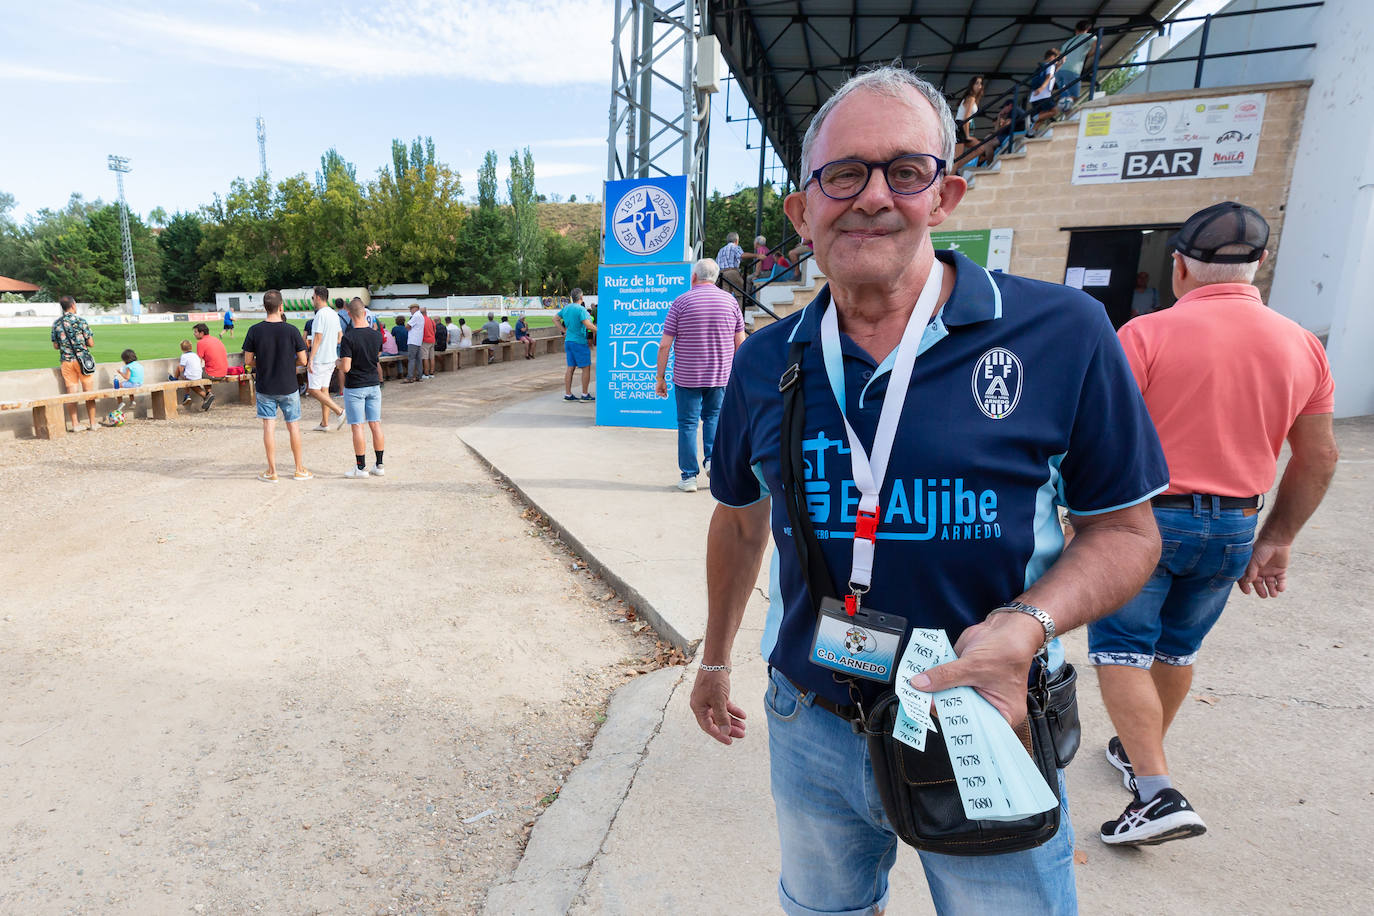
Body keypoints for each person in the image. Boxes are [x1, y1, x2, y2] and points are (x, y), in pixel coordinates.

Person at [696, 66, 1168, 915]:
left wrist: (1027, 626)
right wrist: (715, 655)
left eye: (904, 172)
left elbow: (1128, 533)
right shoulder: (766, 362)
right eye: (843, 174)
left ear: (943, 195)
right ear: (803, 211)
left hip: (988, 721)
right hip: (813, 716)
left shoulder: (1059, 332)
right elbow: (739, 521)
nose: (872, 197)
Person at [1088, 202, 1338, 847]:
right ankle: (1139, 754)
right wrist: (1277, 539)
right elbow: (1319, 457)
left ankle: (1156, 791)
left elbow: (1101, 440)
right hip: (1233, 527)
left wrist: (1080, 520)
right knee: (1175, 650)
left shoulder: (1144, 335)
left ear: (1179, 267)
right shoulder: (1302, 344)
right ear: (1259, 267)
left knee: (1120, 650)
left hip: (1147, 520)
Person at [653, 258, 745, 492]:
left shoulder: (681, 302)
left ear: (694, 277)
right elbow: (741, 342)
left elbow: (664, 345)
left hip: (687, 377)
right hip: (720, 376)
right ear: (715, 278)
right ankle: (712, 460)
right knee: (714, 418)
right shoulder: (731, 302)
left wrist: (660, 377)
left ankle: (688, 477)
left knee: (687, 424)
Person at [242, 290, 311, 482]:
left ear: (265, 307)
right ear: (282, 307)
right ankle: (299, 469)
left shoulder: (254, 330)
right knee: (294, 426)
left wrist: (263, 362)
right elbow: (303, 360)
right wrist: (288, 363)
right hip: (288, 385)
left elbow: (248, 360)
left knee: (268, 428)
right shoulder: (291, 330)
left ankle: (272, 471)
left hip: (266, 385)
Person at [339, 298, 387, 479]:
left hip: (356, 386)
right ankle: (379, 464)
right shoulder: (375, 335)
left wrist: (338, 362)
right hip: (373, 384)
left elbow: (346, 367)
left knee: (357, 426)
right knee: (375, 424)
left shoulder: (348, 337)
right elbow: (377, 354)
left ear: (349, 315)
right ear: (365, 314)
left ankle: (361, 467)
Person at [50, 296, 97, 432]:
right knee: (89, 393)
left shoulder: (56, 324)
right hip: (83, 361)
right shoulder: (81, 321)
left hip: (66, 361)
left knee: (71, 394)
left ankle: (75, 424)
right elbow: (91, 343)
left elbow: (55, 346)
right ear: (73, 305)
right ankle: (93, 423)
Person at [307, 285, 345, 428]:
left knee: (313, 390)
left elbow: (317, 338)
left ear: (317, 296)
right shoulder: (333, 314)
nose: (313, 300)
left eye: (312, 297)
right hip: (331, 357)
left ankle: (339, 411)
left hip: (320, 358)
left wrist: (311, 358)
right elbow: (340, 337)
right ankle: (325, 423)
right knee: (324, 390)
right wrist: (329, 343)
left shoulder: (320, 314)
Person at [556, 289, 596, 401]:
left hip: (568, 341)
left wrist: (564, 331)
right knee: (586, 367)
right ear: (581, 297)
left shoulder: (566, 308)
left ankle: (568, 394)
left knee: (570, 368)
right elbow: (588, 325)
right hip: (579, 341)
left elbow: (555, 319)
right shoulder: (581, 309)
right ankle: (584, 394)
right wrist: (599, 331)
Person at [1056, 20, 1097, 110]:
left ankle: (1062, 113)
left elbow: (1059, 58)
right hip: (1072, 70)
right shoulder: (1089, 36)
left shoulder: (1067, 43)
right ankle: (1056, 110)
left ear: (1076, 29)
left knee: (1065, 97)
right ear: (1088, 29)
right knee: (1074, 96)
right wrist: (1088, 54)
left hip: (1059, 72)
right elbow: (1097, 46)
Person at [1026, 48, 1061, 137]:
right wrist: (1042, 88)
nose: (1057, 62)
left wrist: (1061, 63)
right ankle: (1034, 118)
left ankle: (1031, 133)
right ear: (1053, 57)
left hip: (1034, 96)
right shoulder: (1051, 65)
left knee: (1044, 115)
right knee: (1055, 111)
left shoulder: (1042, 66)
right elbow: (1049, 76)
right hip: (1044, 94)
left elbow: (1053, 73)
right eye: (1057, 59)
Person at [169, 339, 212, 408]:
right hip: (199, 375)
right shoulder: (195, 355)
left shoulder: (184, 356)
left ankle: (184, 392)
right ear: (191, 347)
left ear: (181, 348)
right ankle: (205, 397)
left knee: (180, 370)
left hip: (190, 377)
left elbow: (181, 369)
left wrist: (180, 372)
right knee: (192, 383)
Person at [104, 348, 143, 424]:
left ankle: (120, 402)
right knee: (128, 386)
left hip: (133, 384)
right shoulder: (138, 364)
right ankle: (132, 401)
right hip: (139, 383)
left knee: (118, 386)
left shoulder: (129, 366)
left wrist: (120, 373)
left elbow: (127, 377)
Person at [955, 74, 985, 161]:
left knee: (981, 148)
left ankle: (957, 167)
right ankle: (955, 167)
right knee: (957, 158)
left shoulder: (973, 99)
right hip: (961, 127)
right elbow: (966, 117)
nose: (979, 86)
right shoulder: (971, 98)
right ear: (972, 85)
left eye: (981, 83)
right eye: (977, 83)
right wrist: (967, 135)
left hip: (961, 127)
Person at [716, 231, 747, 307]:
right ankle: (739, 313)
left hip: (721, 275)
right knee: (740, 294)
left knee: (725, 296)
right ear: (736, 240)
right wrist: (757, 256)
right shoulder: (735, 247)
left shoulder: (721, 250)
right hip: (732, 272)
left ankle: (725, 312)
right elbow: (742, 256)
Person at [404, 304, 426, 383]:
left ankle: (410, 377)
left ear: (415, 308)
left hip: (413, 340)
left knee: (411, 359)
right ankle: (419, 376)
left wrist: (408, 328)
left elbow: (407, 326)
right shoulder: (421, 316)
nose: (410, 310)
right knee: (418, 359)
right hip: (418, 340)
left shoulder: (416, 316)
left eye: (411, 309)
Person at [420, 306, 436, 379]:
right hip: (432, 340)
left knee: (425, 358)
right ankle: (432, 373)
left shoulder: (421, 320)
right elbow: (434, 330)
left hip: (425, 340)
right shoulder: (431, 319)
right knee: (431, 357)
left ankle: (426, 373)